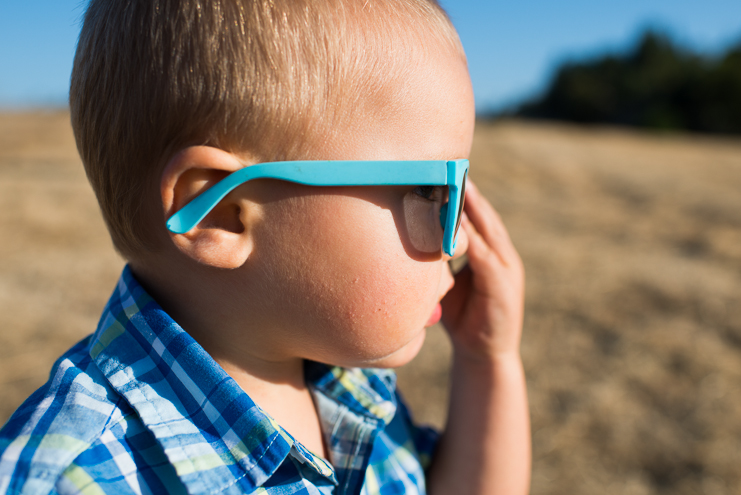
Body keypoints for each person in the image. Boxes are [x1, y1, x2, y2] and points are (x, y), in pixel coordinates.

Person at [0, 0, 530, 493]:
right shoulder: (75, 478)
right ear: (222, 213)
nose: (459, 236)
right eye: (431, 191)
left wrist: (488, 362)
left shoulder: (348, 387)